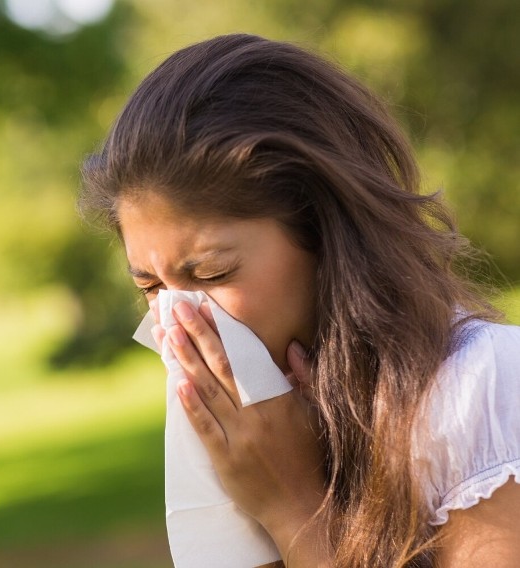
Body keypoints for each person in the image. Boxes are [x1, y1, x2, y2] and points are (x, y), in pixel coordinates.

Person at [78, 34, 520, 567]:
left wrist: (292, 509)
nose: (179, 322)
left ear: (324, 233)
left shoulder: (480, 390)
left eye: (212, 272)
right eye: (150, 287)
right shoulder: (261, 436)